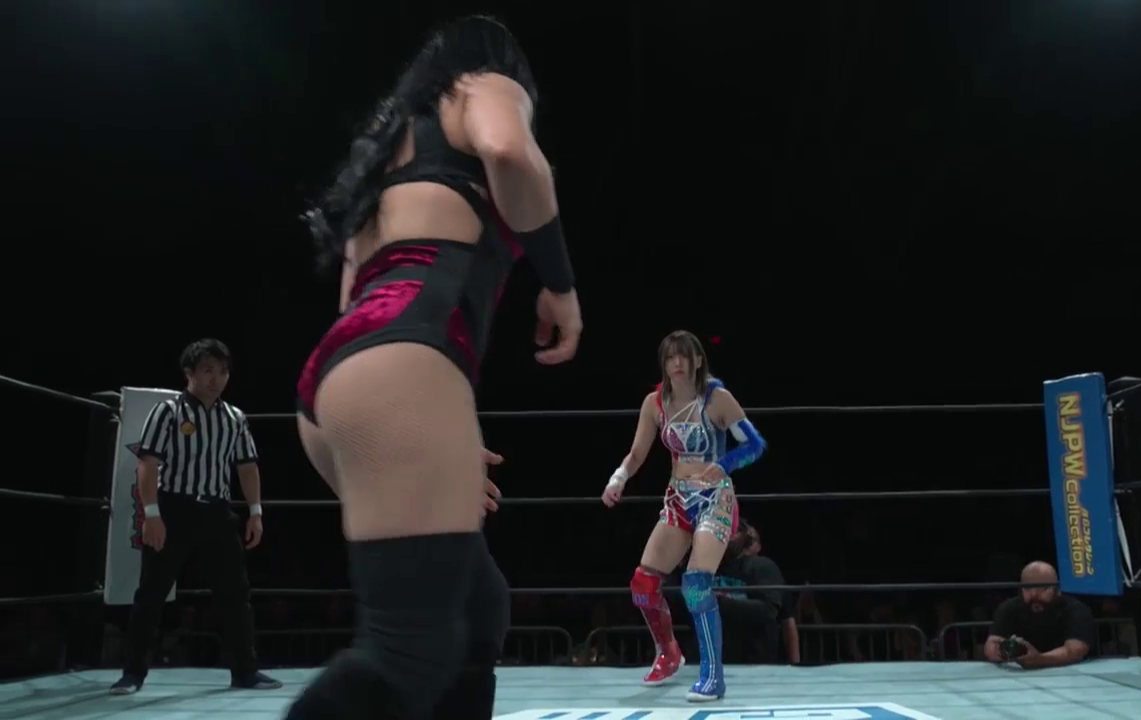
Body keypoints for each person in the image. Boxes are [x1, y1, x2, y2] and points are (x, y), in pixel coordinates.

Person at [286, 15, 581, 720]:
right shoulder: (479, 85)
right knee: (408, 654)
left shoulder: (384, 155)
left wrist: (433, 432)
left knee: (478, 606)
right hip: (404, 357)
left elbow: (355, 301)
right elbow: (509, 149)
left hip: (339, 383)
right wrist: (560, 285)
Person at [601, 330, 767, 702]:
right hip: (678, 499)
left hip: (715, 499)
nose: (677, 363)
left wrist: (725, 464)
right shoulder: (655, 404)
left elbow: (754, 444)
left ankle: (713, 676)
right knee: (643, 584)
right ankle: (668, 652)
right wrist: (618, 478)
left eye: (683, 356)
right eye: (670, 357)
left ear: (697, 360)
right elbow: (637, 454)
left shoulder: (717, 399)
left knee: (695, 583)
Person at [111, 339, 281, 695]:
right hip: (174, 508)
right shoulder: (168, 412)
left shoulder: (235, 417)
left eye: (222, 371)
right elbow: (147, 464)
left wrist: (256, 512)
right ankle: (132, 673)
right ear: (189, 373)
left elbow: (247, 466)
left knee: (235, 594)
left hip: (217, 512)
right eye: (207, 370)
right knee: (152, 592)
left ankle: (245, 671)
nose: (216, 379)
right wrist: (152, 514)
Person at [983, 561, 1096, 669]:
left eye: (1043, 588)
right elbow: (992, 645)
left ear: (1057, 590)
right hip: (1020, 672)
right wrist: (1003, 650)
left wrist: (1040, 660)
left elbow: (1075, 651)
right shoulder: (1009, 608)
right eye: (1028, 588)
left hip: (1070, 672)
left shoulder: (1075, 609)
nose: (1034, 594)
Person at [714, 521, 787, 664]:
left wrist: (718, 602)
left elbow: (769, 609)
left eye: (735, 530)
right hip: (714, 657)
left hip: (754, 658)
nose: (727, 535)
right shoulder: (709, 567)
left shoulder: (761, 566)